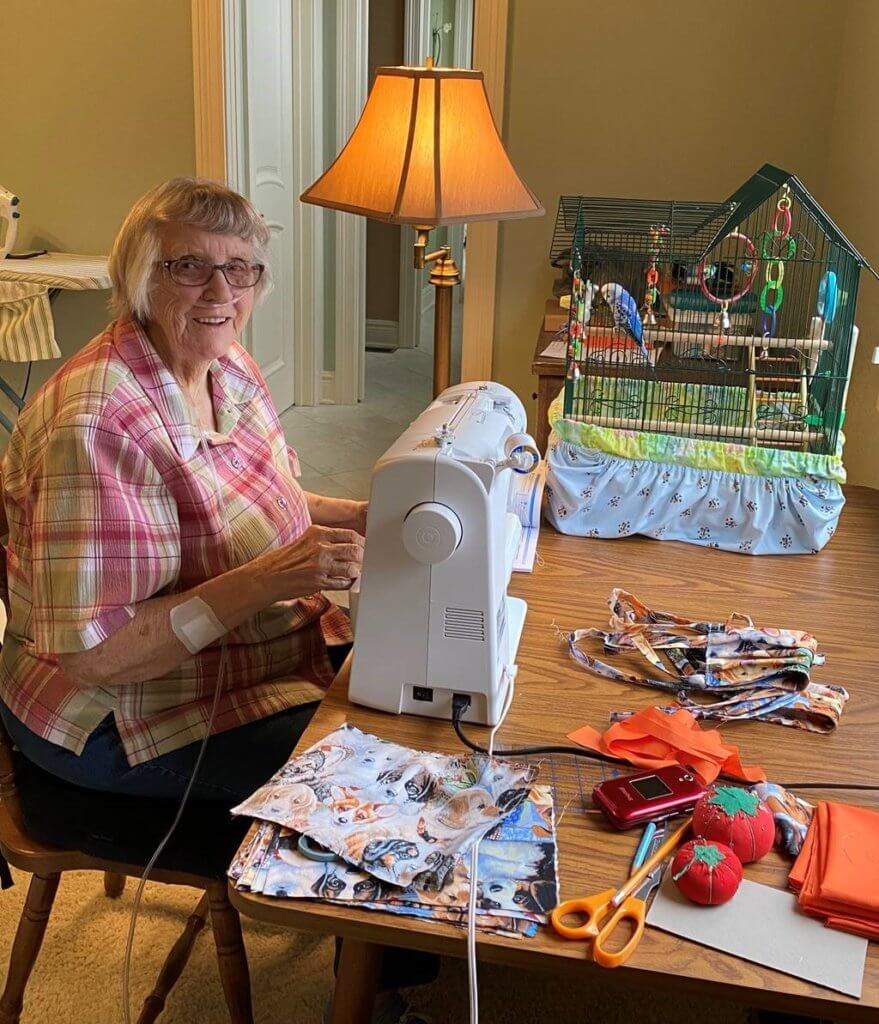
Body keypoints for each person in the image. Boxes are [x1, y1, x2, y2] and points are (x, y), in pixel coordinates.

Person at [0, 178, 366, 803]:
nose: (222, 291)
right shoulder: (97, 423)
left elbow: (249, 498)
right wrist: (276, 576)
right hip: (122, 721)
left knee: (402, 703)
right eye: (190, 267)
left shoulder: (227, 363)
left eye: (240, 268)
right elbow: (97, 655)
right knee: (365, 779)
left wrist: (359, 515)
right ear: (142, 278)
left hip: (247, 659)